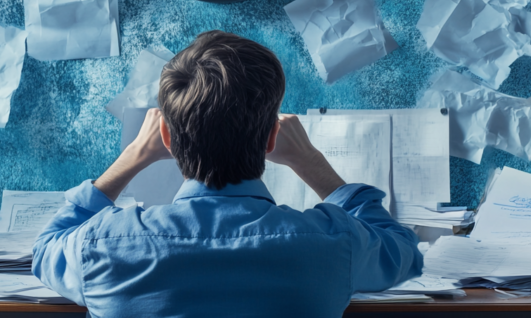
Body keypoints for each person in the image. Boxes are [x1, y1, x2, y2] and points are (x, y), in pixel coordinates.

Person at [32, 30, 422, 317]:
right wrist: (311, 162)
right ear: (272, 138)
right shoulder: (333, 242)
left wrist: (133, 155)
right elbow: (404, 252)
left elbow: (47, 247)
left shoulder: (107, 242)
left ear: (165, 136)